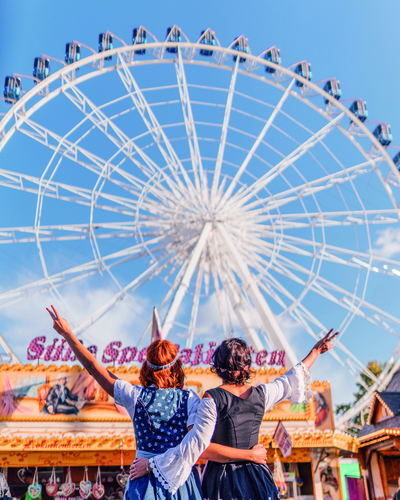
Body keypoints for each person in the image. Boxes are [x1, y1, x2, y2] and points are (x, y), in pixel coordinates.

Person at [46, 305, 268, 500]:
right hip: (182, 484)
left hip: (143, 482)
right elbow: (195, 444)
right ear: (176, 367)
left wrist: (69, 336)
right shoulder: (190, 398)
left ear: (147, 367)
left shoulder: (135, 396)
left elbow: (95, 369)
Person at [130, 330, 338, 500]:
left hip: (222, 481)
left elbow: (201, 448)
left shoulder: (211, 398)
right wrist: (316, 351)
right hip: (257, 478)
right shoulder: (261, 394)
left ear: (219, 368)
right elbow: (291, 379)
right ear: (246, 366)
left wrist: (151, 463)